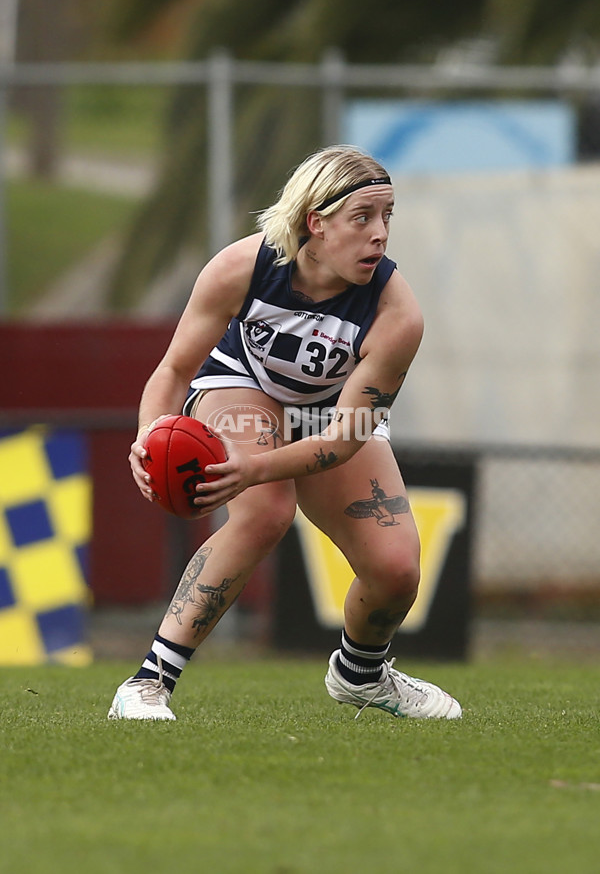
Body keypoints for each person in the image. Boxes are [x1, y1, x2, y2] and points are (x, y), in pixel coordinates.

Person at [107, 145, 461, 722]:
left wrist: (253, 468)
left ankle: (361, 675)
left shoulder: (397, 315)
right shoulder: (242, 267)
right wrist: (149, 436)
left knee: (396, 570)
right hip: (243, 384)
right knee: (265, 511)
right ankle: (147, 683)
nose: (380, 234)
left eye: (387, 216)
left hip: (330, 416)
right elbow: (173, 370)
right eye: (362, 217)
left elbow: (342, 440)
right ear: (316, 223)